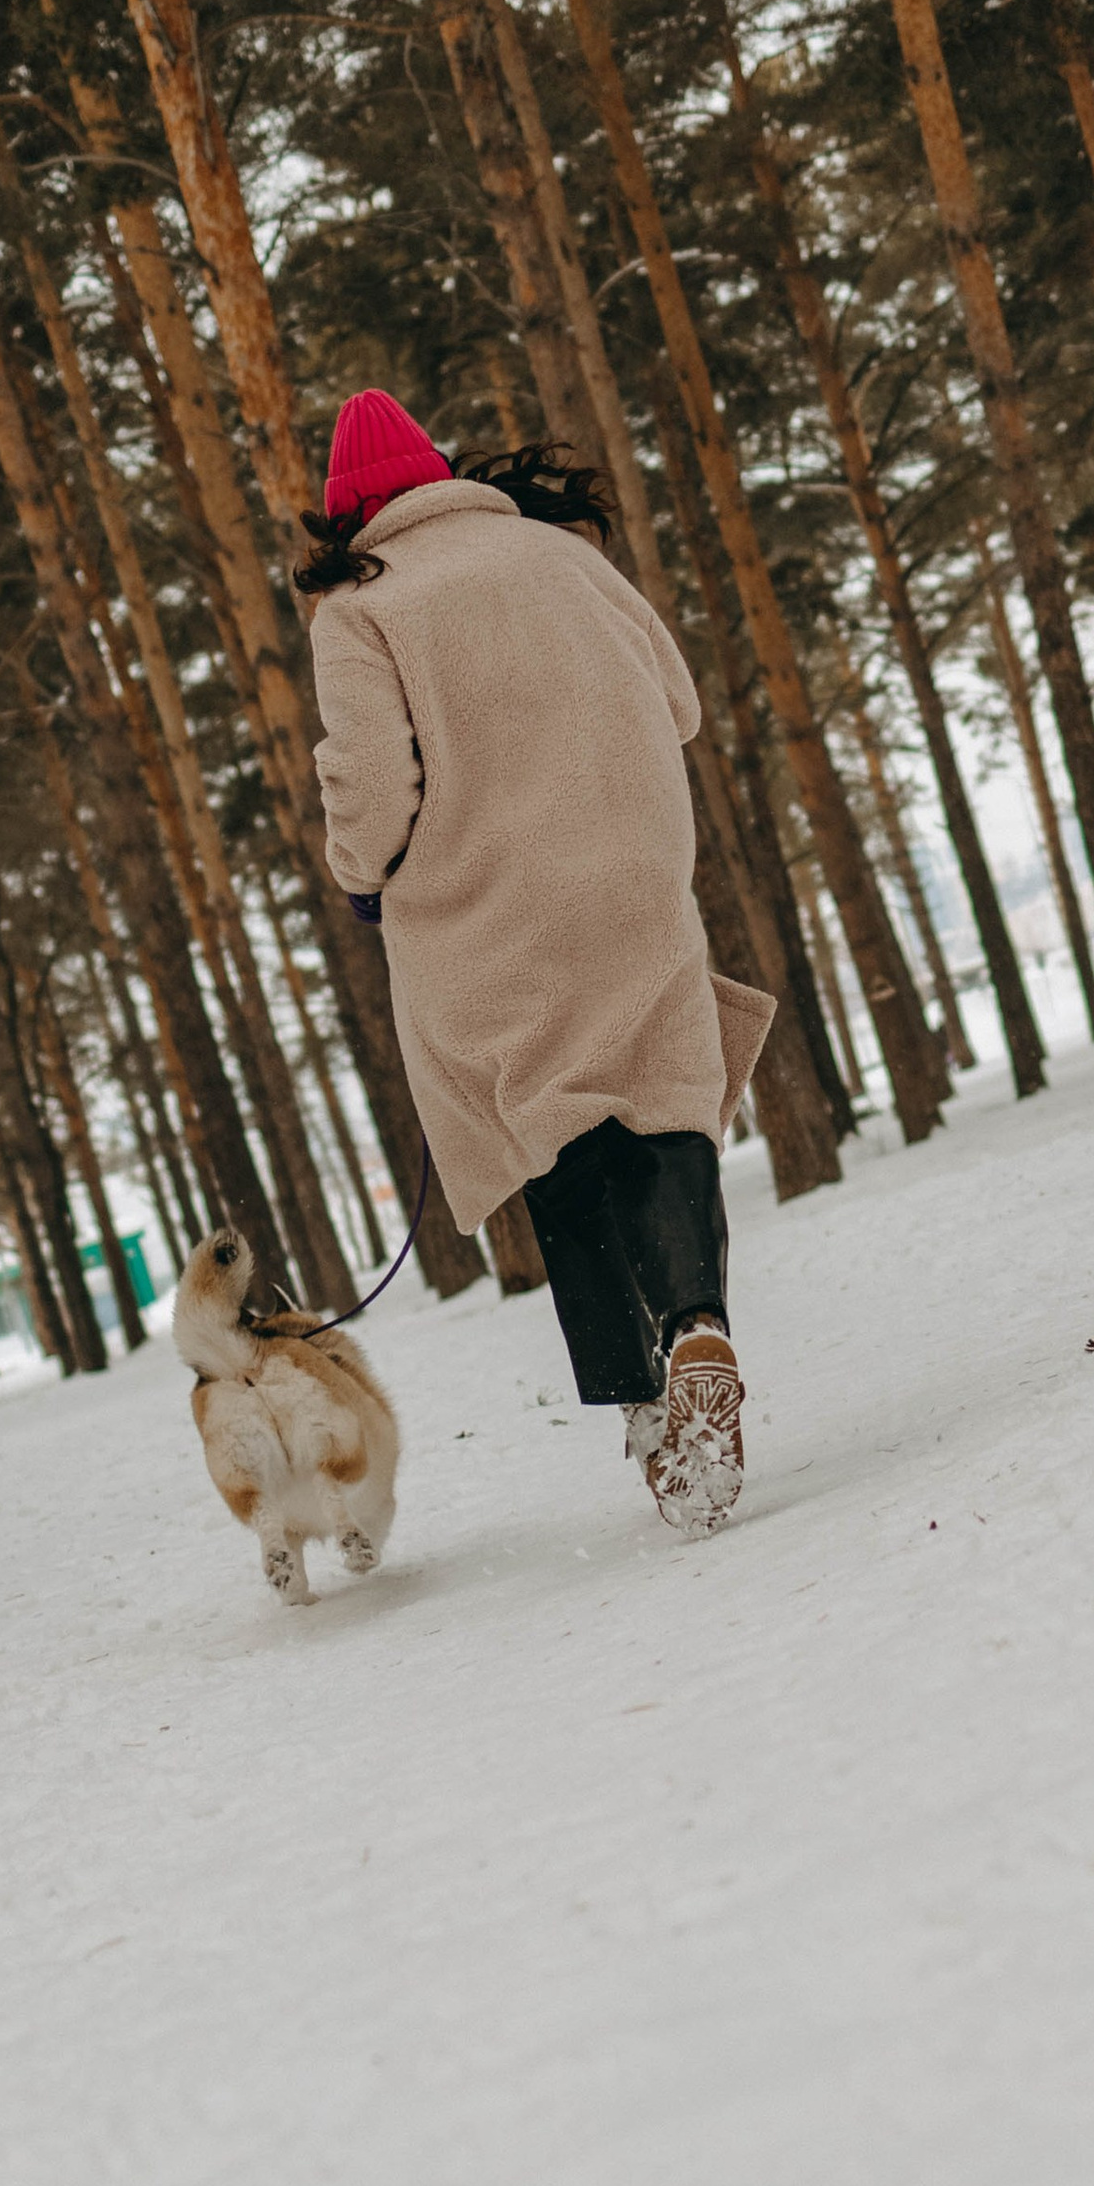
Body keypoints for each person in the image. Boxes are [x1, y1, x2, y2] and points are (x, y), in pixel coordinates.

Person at [301, 387, 773, 1535]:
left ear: (350, 513)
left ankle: (648, 1407)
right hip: (630, 870)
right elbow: (678, 704)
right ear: (439, 475)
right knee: (663, 1095)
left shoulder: (362, 607)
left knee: (551, 1127)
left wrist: (362, 874)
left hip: (487, 908)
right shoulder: (559, 554)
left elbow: (373, 784)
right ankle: (698, 1325)